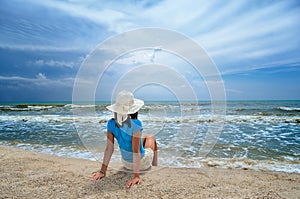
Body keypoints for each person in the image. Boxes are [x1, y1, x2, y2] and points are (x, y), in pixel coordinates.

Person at [92, 91, 158, 188]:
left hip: (125, 163)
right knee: (151, 137)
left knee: (143, 137)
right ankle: (155, 164)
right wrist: (136, 176)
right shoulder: (136, 124)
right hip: (141, 164)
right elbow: (136, 152)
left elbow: (109, 149)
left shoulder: (111, 123)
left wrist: (102, 172)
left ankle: (151, 161)